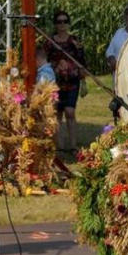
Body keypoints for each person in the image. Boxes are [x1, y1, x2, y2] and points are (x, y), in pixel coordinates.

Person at [44, 10, 86, 152]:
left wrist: (83, 80)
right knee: (57, 114)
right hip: (55, 82)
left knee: (70, 111)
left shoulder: (75, 41)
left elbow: (82, 61)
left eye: (65, 21)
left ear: (68, 23)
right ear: (55, 24)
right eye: (59, 21)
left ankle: (73, 145)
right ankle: (59, 146)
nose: (62, 24)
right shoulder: (49, 42)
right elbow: (44, 61)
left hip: (72, 82)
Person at [106, 3, 128, 76]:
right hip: (120, 78)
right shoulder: (118, 33)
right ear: (124, 16)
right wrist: (112, 60)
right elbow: (110, 52)